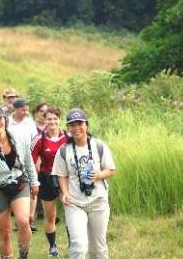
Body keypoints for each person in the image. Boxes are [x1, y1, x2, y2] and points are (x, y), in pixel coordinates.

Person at [52, 108, 116, 259]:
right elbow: (61, 175)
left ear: (86, 125)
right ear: (68, 128)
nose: (76, 128)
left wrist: (99, 175)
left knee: (98, 248)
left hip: (98, 201)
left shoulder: (99, 146)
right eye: (72, 125)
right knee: (78, 246)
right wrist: (65, 192)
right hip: (74, 203)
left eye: (79, 123)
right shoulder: (63, 151)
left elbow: (111, 170)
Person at [0, 105, 39, 259]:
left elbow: (28, 161)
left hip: (19, 184)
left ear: (5, 119)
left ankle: (23, 256)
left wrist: (34, 182)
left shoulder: (19, 137)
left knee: (24, 221)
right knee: (4, 232)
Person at [31, 106, 68, 257]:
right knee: (50, 216)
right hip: (47, 179)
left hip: (66, 179)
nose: (52, 121)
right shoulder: (39, 139)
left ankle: (74, 244)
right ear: (44, 120)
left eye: (55, 118)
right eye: (49, 119)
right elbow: (30, 161)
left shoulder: (68, 136)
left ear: (60, 119)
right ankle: (53, 246)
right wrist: (34, 181)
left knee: (71, 213)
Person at [7, 98, 39, 231]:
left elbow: (35, 139)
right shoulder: (7, 122)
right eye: (23, 109)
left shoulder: (30, 122)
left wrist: (35, 157)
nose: (26, 112)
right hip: (12, 163)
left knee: (31, 188)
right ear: (15, 109)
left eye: (27, 109)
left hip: (28, 157)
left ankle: (29, 218)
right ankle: (18, 218)